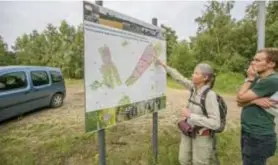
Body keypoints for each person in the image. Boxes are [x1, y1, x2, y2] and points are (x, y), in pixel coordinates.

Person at [155, 57, 220, 165]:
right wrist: (165, 66)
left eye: (196, 73)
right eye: (193, 72)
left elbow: (215, 123)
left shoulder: (210, 95)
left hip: (202, 135)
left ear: (205, 77)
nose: (192, 75)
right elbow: (180, 78)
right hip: (188, 131)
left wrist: (191, 116)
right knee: (184, 160)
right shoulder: (193, 88)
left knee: (199, 162)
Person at [236, 48, 278, 165]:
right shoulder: (259, 79)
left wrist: (249, 78)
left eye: (258, 60)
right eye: (253, 59)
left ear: (271, 64)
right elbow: (239, 102)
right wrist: (255, 101)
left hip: (258, 135)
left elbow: (241, 97)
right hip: (249, 131)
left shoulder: (271, 81)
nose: (253, 63)